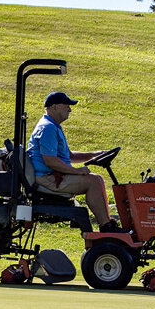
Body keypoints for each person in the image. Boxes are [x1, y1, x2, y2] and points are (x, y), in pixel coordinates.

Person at [26, 92, 122, 232]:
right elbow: (50, 161)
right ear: (55, 107)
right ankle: (107, 227)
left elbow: (68, 156)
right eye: (66, 106)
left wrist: (96, 154)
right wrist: (77, 171)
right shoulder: (48, 128)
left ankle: (107, 224)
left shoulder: (53, 126)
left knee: (97, 180)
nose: (69, 110)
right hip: (46, 178)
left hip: (50, 176)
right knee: (94, 181)